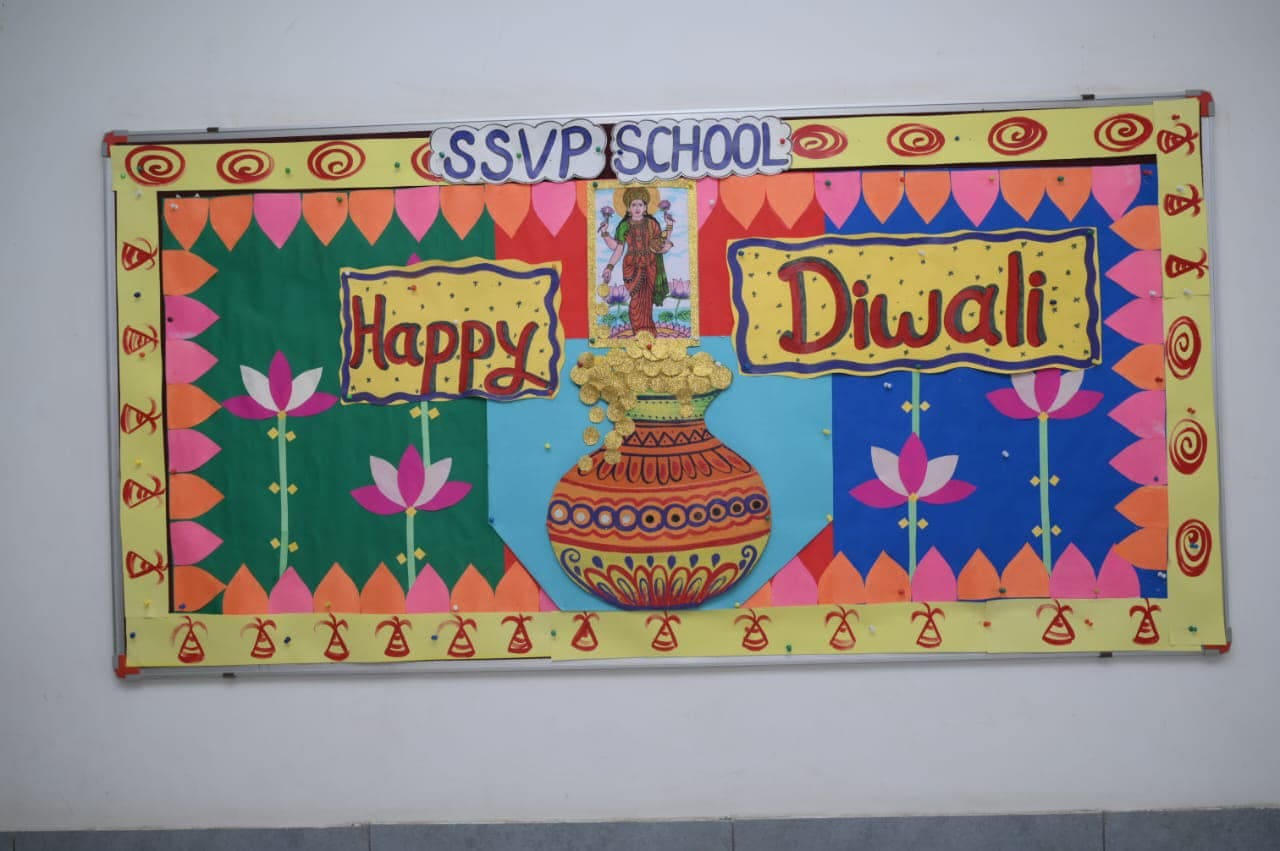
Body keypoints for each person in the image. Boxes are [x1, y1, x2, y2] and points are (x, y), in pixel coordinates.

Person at [599, 187, 674, 336]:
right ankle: (638, 332)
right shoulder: (624, 225)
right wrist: (609, 266)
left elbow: (659, 243)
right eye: (633, 205)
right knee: (636, 300)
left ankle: (648, 331)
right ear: (628, 208)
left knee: (647, 301)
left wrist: (669, 226)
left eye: (640, 204)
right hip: (632, 268)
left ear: (645, 207)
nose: (637, 208)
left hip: (650, 265)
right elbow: (617, 248)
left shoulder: (652, 224)